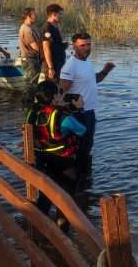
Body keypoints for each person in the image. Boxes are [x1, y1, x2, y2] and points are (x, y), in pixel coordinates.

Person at [26, 79, 86, 233]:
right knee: (66, 201)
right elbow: (82, 130)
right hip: (64, 163)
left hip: (42, 162)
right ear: (54, 97)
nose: (63, 94)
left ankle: (37, 230)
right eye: (60, 93)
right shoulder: (61, 116)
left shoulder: (32, 113)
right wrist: (79, 110)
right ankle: (63, 236)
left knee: (45, 197)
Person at [59, 32, 115, 180]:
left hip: (89, 112)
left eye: (88, 44)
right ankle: (76, 184)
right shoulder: (71, 65)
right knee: (79, 150)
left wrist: (105, 72)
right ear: (75, 46)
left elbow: (93, 80)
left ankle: (84, 181)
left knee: (87, 147)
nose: (86, 48)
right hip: (78, 114)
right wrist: (68, 112)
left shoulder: (86, 61)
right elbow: (60, 93)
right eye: (82, 45)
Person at [18, 7, 41, 102]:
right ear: (28, 16)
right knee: (31, 84)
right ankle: (26, 105)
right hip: (31, 60)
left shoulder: (31, 27)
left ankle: (27, 103)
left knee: (31, 83)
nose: (36, 16)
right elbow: (35, 47)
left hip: (32, 59)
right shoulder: (27, 30)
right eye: (34, 15)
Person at [40, 4, 67, 81]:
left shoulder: (54, 26)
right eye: (60, 14)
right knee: (51, 88)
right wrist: (50, 68)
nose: (62, 16)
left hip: (58, 63)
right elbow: (46, 48)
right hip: (52, 65)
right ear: (54, 14)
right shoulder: (47, 28)